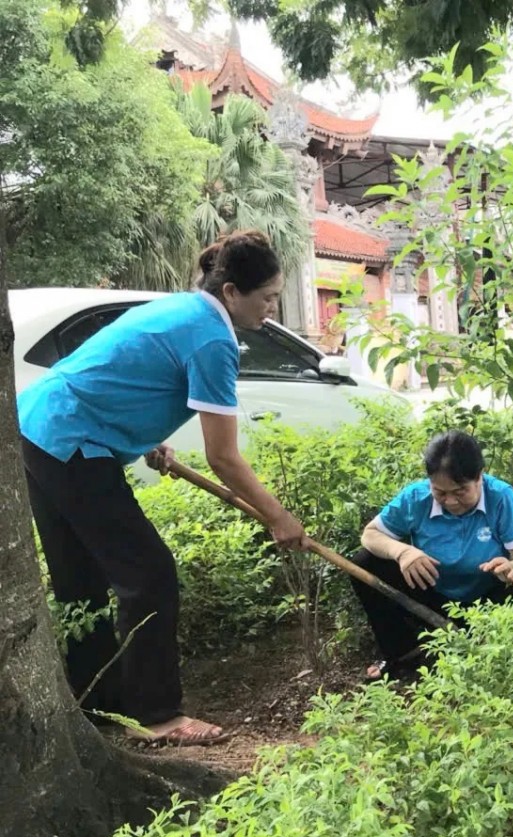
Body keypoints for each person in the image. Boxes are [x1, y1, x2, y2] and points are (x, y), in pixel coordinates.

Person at [18, 230, 306, 747]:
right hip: (71, 440)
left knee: (79, 580)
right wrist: (278, 516)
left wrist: (146, 439)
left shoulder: (183, 309)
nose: (272, 308)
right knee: (148, 574)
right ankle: (158, 716)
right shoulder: (213, 339)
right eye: (267, 298)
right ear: (232, 292)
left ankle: (98, 705)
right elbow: (223, 457)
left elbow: (125, 373)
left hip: (39, 427)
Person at [351, 430, 513, 681]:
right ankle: (401, 653)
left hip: (487, 598)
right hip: (433, 593)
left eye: (460, 492)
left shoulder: (500, 497)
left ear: (479, 477)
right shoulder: (415, 498)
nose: (450, 501)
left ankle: (496, 643)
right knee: (366, 563)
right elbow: (371, 534)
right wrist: (403, 551)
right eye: (440, 492)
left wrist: (512, 567)